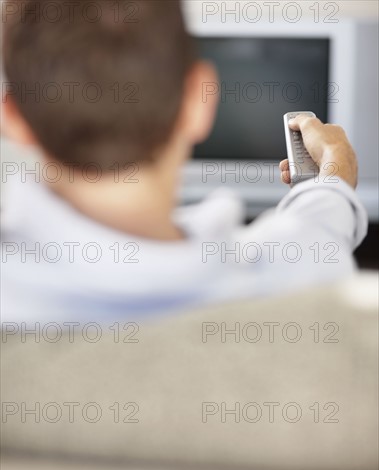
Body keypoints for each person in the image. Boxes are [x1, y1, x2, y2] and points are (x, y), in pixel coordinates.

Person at [1, 0, 367, 326]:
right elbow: (317, 232)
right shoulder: (296, 280)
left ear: (11, 120)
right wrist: (333, 175)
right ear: (200, 101)